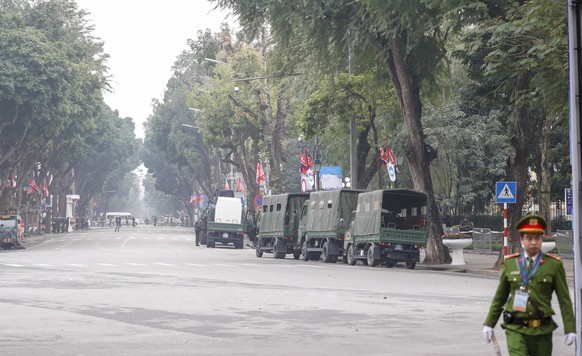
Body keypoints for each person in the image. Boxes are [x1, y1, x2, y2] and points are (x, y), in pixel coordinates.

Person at [482, 214, 576, 355]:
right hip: (516, 329)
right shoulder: (510, 264)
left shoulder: (553, 265)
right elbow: (500, 298)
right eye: (529, 238)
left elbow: (564, 300)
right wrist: (489, 324)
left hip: (542, 330)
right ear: (521, 240)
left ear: (541, 239)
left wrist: (570, 329)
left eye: (537, 238)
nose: (533, 242)